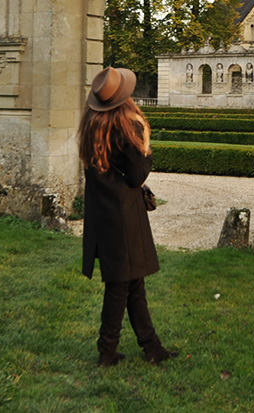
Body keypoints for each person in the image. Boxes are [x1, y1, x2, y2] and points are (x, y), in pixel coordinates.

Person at [79, 66, 179, 367]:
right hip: (123, 213)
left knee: (133, 283)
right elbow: (136, 176)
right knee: (121, 285)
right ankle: (106, 352)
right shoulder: (126, 125)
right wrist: (145, 146)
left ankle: (151, 346)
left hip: (104, 211)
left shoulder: (92, 124)